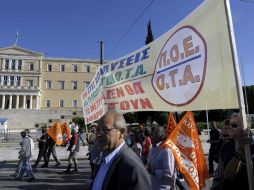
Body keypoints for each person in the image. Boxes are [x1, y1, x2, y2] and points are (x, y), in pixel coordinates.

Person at [91, 111, 151, 190]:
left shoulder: (132, 166)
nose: (99, 134)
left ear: (121, 132)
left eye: (105, 129)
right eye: (98, 129)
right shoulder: (102, 160)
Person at [211, 113, 254, 190]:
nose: (229, 127)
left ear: (246, 127)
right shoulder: (226, 146)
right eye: (229, 124)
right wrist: (240, 151)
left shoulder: (252, 144)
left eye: (234, 125)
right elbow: (225, 175)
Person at [147, 125, 176, 190]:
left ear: (158, 136)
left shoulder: (166, 150)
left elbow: (168, 173)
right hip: (153, 186)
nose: (149, 137)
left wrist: (153, 171)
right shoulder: (153, 148)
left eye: (152, 134)